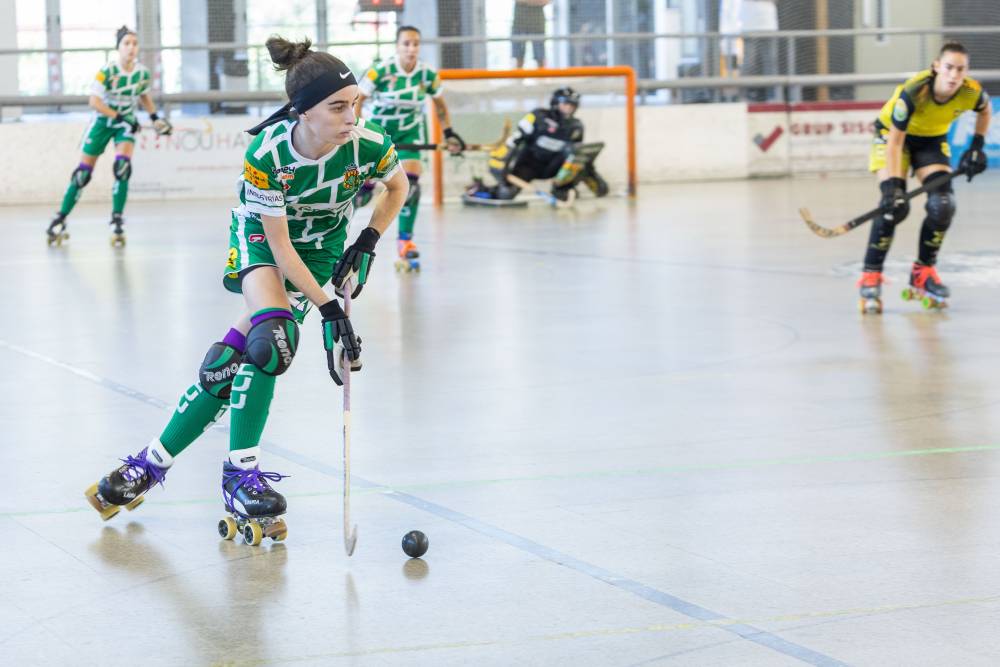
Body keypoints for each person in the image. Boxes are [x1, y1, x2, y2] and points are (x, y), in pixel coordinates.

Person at [84, 36, 409, 546]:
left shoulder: (367, 144)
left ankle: (146, 466)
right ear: (303, 111)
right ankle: (240, 476)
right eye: (339, 107)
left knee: (229, 365)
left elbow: (399, 187)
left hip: (321, 248)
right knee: (273, 338)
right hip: (262, 238)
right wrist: (330, 311)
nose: (353, 116)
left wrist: (368, 240)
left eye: (356, 104)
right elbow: (278, 246)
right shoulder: (268, 152)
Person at [857, 42, 991, 314]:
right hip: (892, 137)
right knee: (894, 207)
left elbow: (985, 111)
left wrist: (976, 146)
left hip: (930, 141)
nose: (954, 75)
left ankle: (923, 272)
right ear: (936, 66)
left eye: (960, 69)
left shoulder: (971, 92)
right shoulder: (914, 92)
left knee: (943, 205)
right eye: (949, 68)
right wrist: (894, 187)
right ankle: (871, 274)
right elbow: (895, 142)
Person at [47, 25, 173, 247]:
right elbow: (94, 102)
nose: (131, 47)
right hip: (103, 123)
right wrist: (119, 116)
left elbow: (144, 96)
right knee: (82, 175)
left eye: (135, 43)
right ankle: (60, 217)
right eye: (127, 43)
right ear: (118, 47)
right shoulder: (107, 71)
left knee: (122, 168)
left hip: (124, 126)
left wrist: (155, 119)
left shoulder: (142, 73)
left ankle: (116, 219)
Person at [355, 25, 465, 272]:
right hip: (379, 132)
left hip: (411, 133)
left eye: (415, 43)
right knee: (360, 196)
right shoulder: (381, 71)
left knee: (411, 186)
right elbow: (359, 99)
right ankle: (367, 188)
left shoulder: (426, 74)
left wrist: (449, 132)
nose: (411, 48)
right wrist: (357, 130)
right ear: (397, 45)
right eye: (406, 43)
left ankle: (405, 241)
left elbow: (439, 105)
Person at [464, 87, 608, 205]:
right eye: (566, 104)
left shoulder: (576, 126)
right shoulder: (538, 116)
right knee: (506, 194)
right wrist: (502, 162)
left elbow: (577, 155)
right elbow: (515, 139)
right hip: (530, 164)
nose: (569, 108)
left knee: (576, 157)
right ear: (556, 103)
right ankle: (478, 189)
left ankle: (563, 187)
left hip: (554, 167)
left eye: (572, 105)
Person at [512, 0, 550, 69]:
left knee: (540, 58)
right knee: (518, 58)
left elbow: (546, 1)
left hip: (538, 25)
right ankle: (518, 79)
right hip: (519, 24)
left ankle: (541, 78)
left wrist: (526, 2)